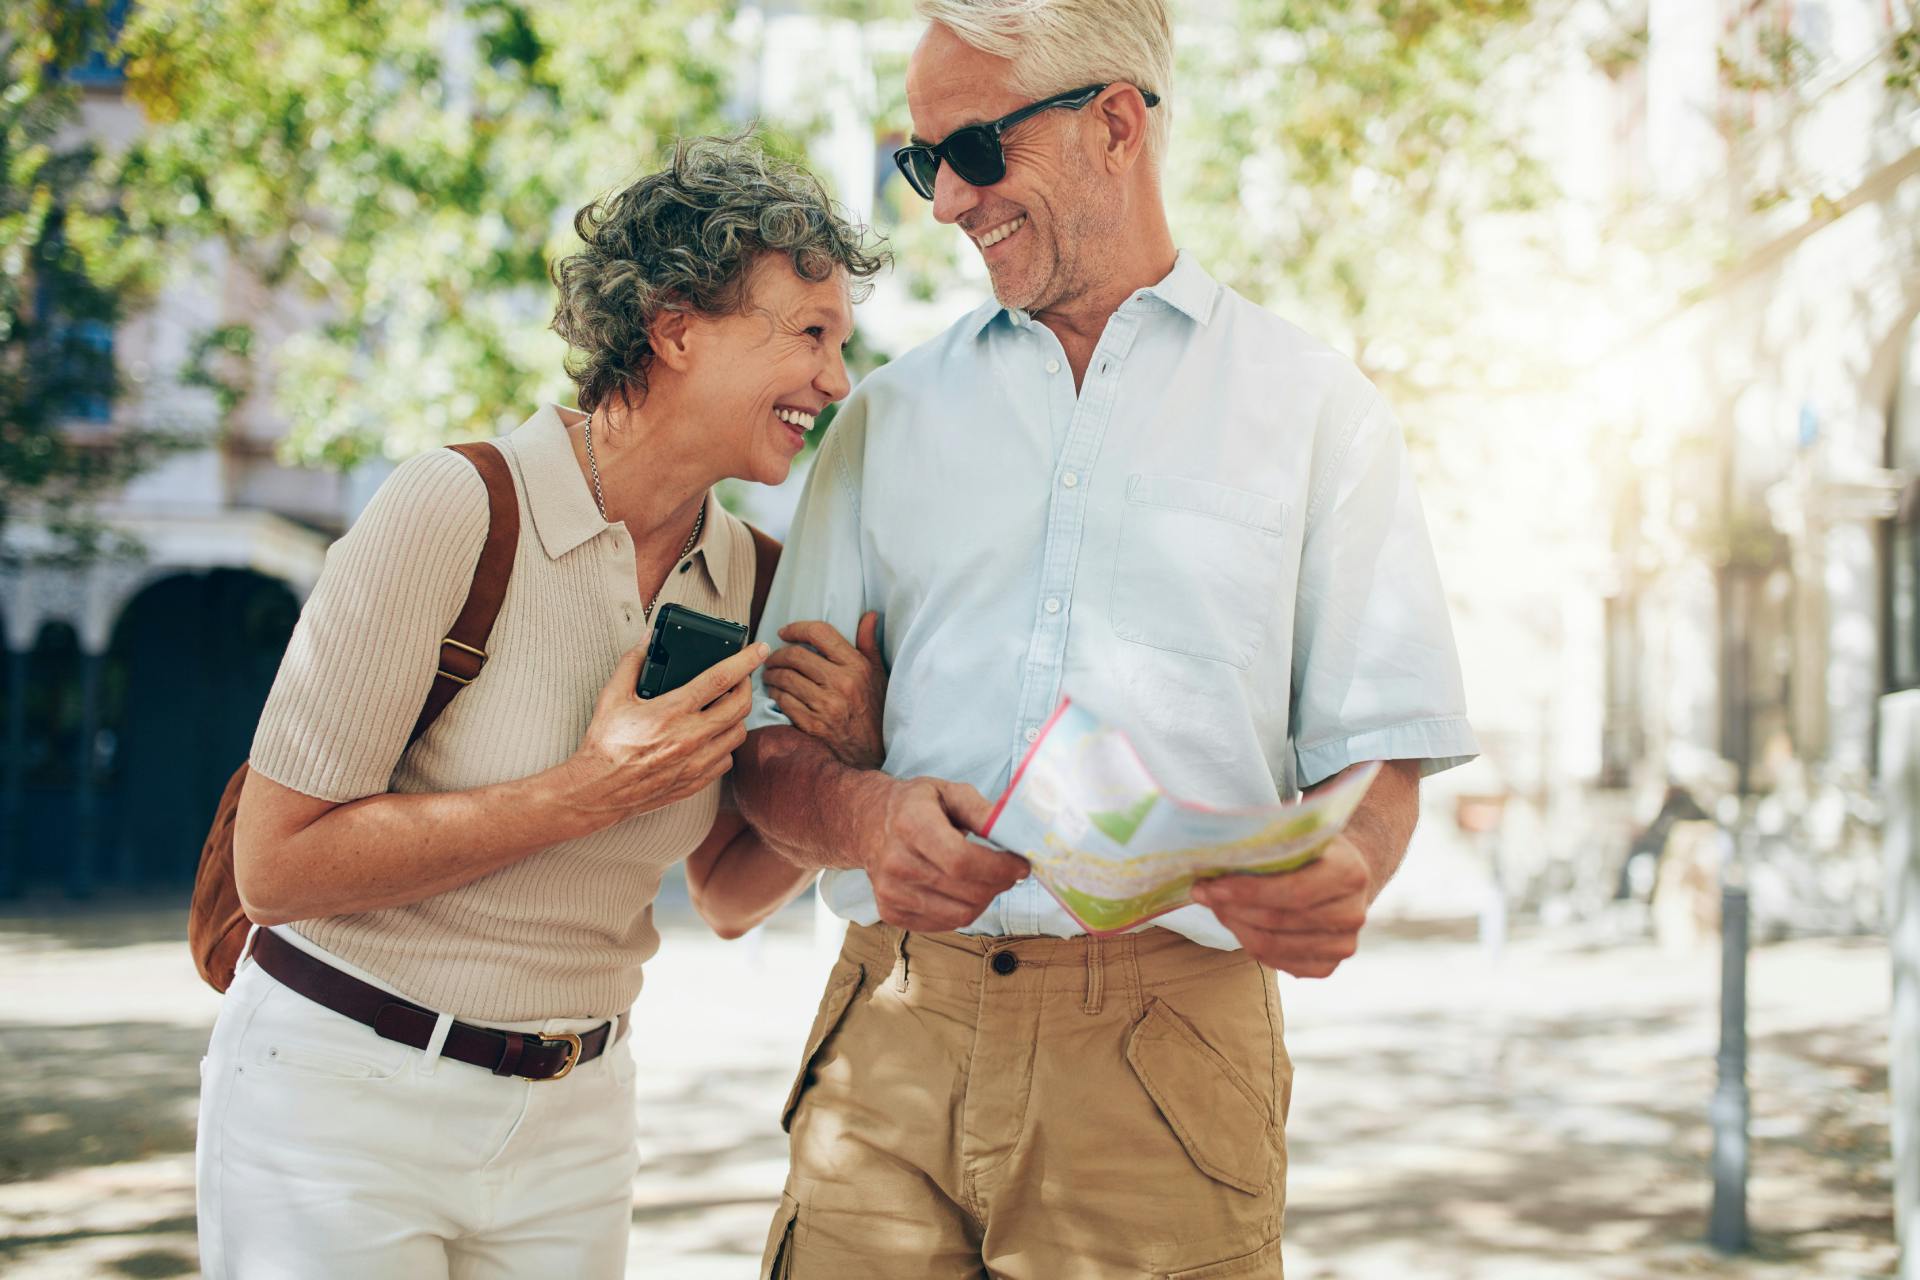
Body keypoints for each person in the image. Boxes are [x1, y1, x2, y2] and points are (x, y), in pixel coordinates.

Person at [731, 3, 1480, 1276]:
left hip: (1166, 1058)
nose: (946, 203)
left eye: (968, 152)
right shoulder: (884, 421)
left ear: (1116, 124)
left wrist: (1348, 866)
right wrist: (862, 818)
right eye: (922, 164)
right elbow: (762, 756)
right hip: (894, 1035)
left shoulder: (1318, 412)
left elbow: (1381, 756)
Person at [194, 136, 889, 1279]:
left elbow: (722, 891)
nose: (835, 380)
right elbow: (276, 866)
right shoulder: (458, 509)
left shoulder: (753, 577)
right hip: (338, 1103)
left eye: (841, 343)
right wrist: (582, 792)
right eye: (808, 335)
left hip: (575, 1118)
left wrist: (850, 762)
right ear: (674, 327)